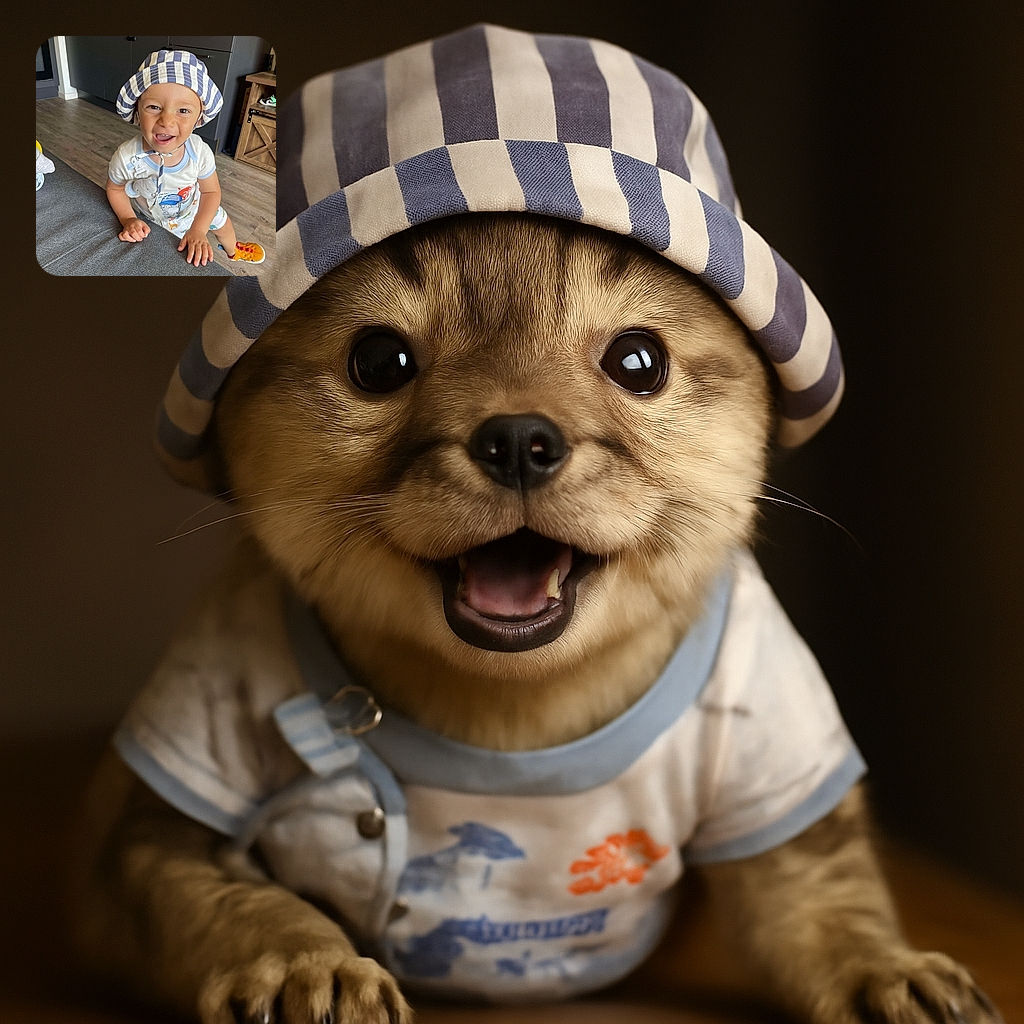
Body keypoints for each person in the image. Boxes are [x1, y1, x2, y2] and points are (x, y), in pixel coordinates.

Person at [106, 50, 265, 267]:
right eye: (154, 107)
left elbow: (211, 192)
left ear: (198, 118)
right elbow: (115, 189)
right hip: (150, 216)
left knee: (223, 224)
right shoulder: (127, 157)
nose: (166, 121)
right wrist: (128, 218)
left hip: (195, 209)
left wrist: (199, 229)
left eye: (183, 110)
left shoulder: (199, 152)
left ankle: (234, 250)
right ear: (136, 111)